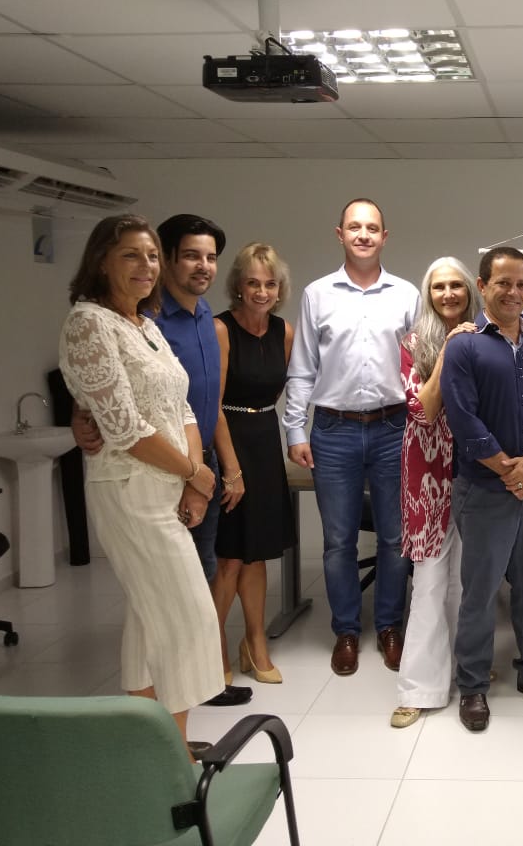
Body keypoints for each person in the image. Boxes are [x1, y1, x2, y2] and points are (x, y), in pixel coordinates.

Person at [58, 214, 224, 758]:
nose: (146, 266)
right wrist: (194, 473)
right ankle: (173, 755)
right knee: (187, 617)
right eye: (131, 255)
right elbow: (125, 429)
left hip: (168, 484)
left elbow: (182, 408)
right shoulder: (89, 323)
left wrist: (195, 482)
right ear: (101, 260)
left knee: (149, 618)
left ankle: (145, 745)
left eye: (151, 256)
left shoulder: (145, 325)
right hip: (130, 489)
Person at [440, 246, 523, 732]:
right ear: (483, 286)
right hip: (484, 492)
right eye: (503, 283)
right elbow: (463, 419)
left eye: (521, 284)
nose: (514, 292)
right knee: (480, 592)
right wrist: (508, 470)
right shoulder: (465, 346)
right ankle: (473, 684)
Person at [284, 198, 420, 676]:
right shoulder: (317, 294)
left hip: (393, 428)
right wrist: (295, 428)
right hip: (334, 430)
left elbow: (421, 366)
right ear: (339, 234)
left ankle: (389, 626)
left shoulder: (406, 295)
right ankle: (345, 629)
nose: (364, 235)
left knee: (395, 538)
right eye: (354, 227)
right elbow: (302, 368)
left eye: (372, 228)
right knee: (338, 540)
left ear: (385, 237)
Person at [390, 258, 481, 729]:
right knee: (429, 581)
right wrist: (448, 351)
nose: (448, 294)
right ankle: (419, 688)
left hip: (477, 471)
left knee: (468, 581)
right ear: (428, 294)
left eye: (456, 285)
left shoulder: (488, 337)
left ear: (470, 290)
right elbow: (422, 411)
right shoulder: (413, 344)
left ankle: (468, 674)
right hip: (427, 474)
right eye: (439, 287)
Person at [212, 243, 297, 684]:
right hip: (227, 439)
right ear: (238, 287)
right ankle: (213, 651)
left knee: (258, 553)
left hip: (264, 438)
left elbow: (277, 391)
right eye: (253, 283)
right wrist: (231, 469)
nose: (262, 292)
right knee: (229, 556)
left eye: (270, 284)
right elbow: (211, 404)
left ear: (279, 289)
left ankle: (255, 641)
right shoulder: (220, 329)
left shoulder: (285, 332)